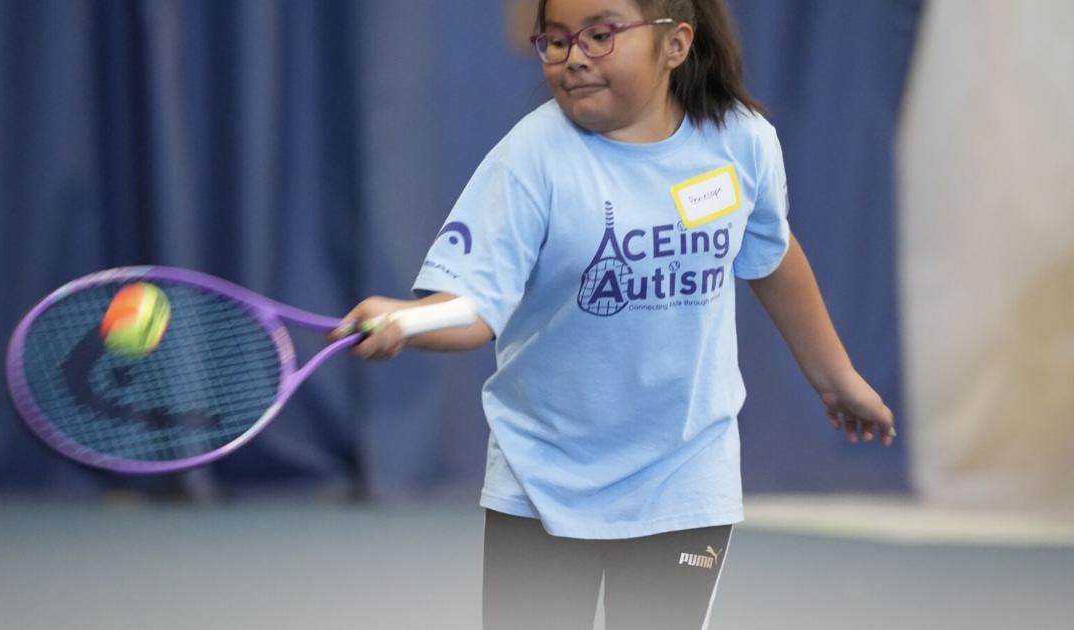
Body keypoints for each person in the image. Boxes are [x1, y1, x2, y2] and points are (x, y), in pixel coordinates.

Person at [330, 0, 896, 627]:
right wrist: (406, 323)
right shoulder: (530, 159)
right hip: (542, 480)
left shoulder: (742, 142)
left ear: (675, 44)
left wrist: (836, 378)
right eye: (556, 40)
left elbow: (772, 257)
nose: (574, 58)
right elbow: (476, 307)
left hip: (685, 474)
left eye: (600, 36)